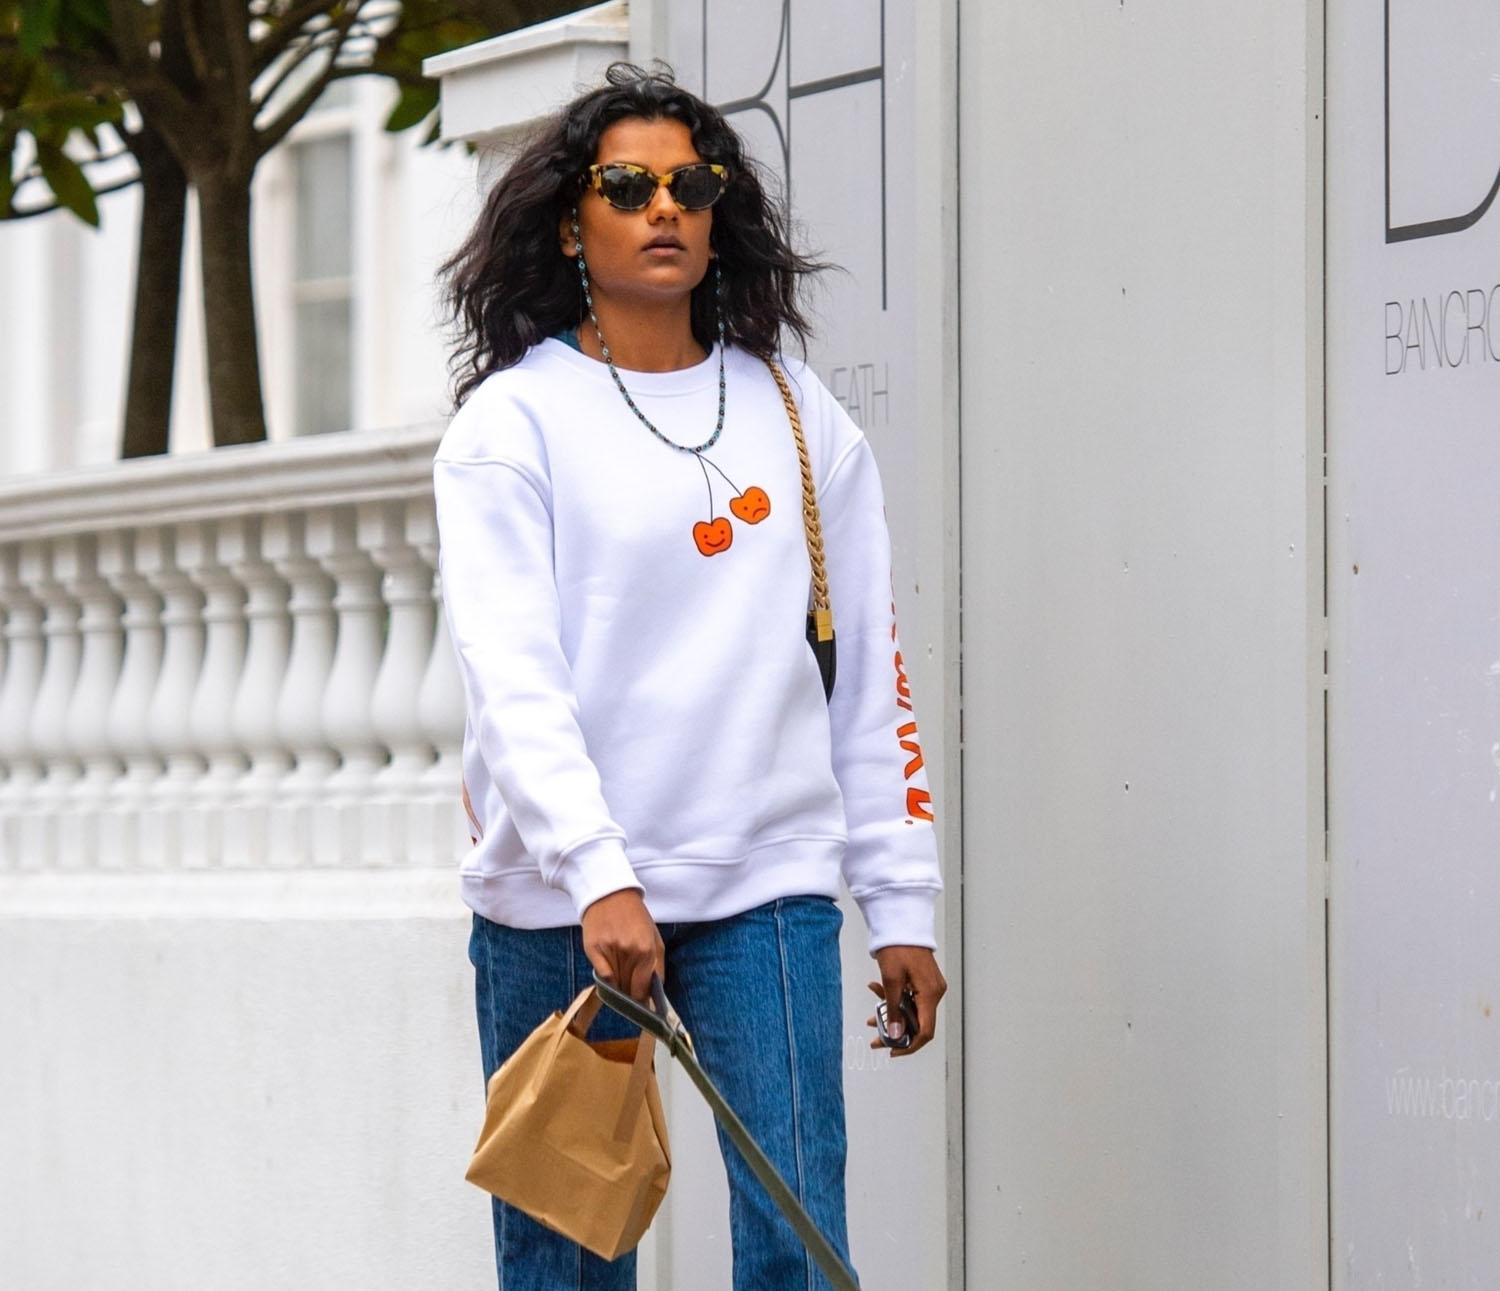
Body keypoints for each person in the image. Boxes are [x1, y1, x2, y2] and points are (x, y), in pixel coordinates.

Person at [434, 61, 946, 1291]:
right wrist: (598, 872)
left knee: (798, 1241)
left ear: (719, 215)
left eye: (691, 185)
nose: (663, 207)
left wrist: (901, 903)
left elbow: (866, 674)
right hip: (558, 903)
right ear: (573, 224)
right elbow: (514, 678)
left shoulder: (798, 410)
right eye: (627, 187)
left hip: (764, 878)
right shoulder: (512, 425)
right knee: (567, 1260)